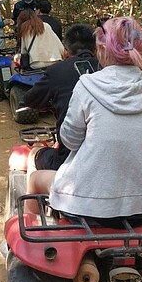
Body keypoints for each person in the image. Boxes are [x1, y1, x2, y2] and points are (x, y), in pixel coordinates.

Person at [26, 17, 142, 220]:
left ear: (102, 50)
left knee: (35, 178)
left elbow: (70, 141)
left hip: (84, 206)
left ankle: (32, 236)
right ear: (141, 48)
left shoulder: (87, 85)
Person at [23, 24, 99, 172]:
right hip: (104, 158)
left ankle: (34, 192)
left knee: (33, 154)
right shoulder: (106, 70)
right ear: (96, 49)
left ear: (65, 52)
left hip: (69, 159)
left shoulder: (57, 71)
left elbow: (30, 99)